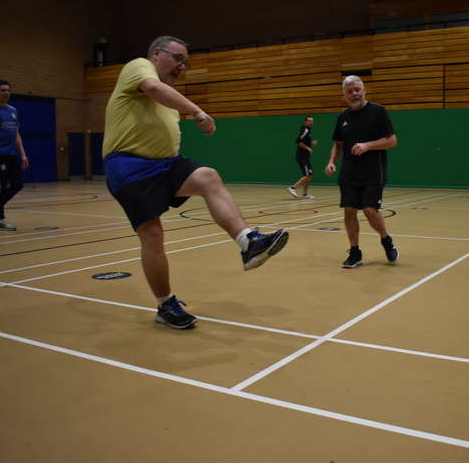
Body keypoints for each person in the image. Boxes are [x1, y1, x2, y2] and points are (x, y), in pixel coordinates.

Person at [103, 35, 289, 330]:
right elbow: (152, 87)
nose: (182, 66)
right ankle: (166, 304)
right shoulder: (138, 67)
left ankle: (249, 242)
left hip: (164, 164)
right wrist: (198, 111)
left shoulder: (169, 95)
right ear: (156, 54)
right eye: (177, 58)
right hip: (129, 165)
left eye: (185, 62)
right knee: (152, 234)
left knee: (207, 176)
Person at [325, 75, 399, 269]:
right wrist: (332, 161)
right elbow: (337, 144)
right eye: (349, 91)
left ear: (364, 90)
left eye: (357, 89)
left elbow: (392, 141)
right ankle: (355, 252)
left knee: (369, 210)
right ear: (344, 95)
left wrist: (367, 145)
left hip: (373, 170)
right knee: (349, 210)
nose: (354, 94)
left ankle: (386, 239)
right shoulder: (343, 117)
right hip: (349, 171)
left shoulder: (378, 111)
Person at [0, 80, 29, 231]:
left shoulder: (13, 111)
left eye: (8, 90)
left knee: (18, 184)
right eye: (3, 90)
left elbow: (16, 134)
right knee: (0, 187)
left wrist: (23, 154)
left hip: (11, 154)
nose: (6, 93)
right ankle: (0, 219)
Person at [287, 115, 318, 199]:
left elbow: (304, 141)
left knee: (309, 175)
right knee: (308, 175)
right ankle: (292, 188)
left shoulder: (308, 130)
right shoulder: (305, 130)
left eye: (312, 121)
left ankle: (305, 194)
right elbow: (297, 141)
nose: (311, 122)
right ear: (306, 122)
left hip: (306, 157)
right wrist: (308, 148)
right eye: (309, 121)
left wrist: (311, 143)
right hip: (302, 157)